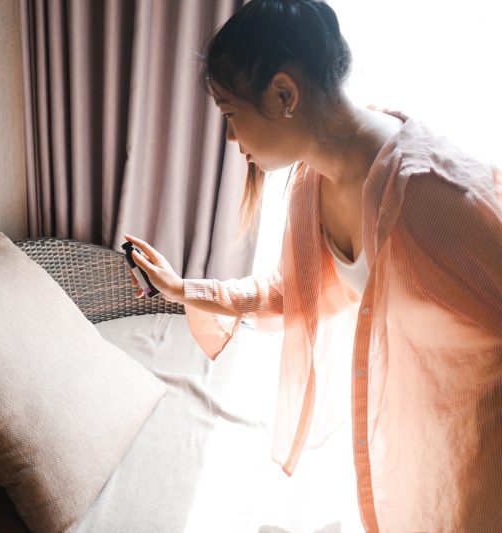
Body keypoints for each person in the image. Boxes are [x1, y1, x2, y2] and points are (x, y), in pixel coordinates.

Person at [123, 0, 502, 531]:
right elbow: (294, 292)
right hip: (412, 433)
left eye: (230, 114)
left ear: (284, 93)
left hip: (480, 444)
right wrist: (182, 289)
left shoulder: (431, 192)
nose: (230, 138)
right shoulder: (312, 184)